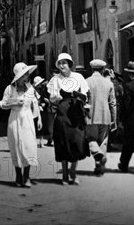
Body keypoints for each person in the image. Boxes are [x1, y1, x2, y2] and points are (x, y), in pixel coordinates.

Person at [47, 53, 90, 185]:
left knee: (77, 143)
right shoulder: (55, 80)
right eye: (59, 63)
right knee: (63, 143)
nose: (62, 66)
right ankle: (65, 174)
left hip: (76, 112)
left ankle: (73, 171)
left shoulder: (78, 77)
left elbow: (85, 95)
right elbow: (51, 99)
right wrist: (56, 98)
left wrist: (79, 96)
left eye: (64, 63)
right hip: (62, 114)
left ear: (70, 64)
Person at [0, 62, 41, 188]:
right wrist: (14, 104)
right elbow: (2, 104)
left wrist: (39, 119)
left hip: (27, 119)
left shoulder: (30, 88)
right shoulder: (10, 89)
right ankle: (18, 174)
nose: (27, 77)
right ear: (19, 76)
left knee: (29, 145)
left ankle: (27, 176)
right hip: (14, 119)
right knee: (16, 145)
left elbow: (35, 103)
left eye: (27, 74)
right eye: (24, 74)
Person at [86, 59, 117, 176]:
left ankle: (96, 153)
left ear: (91, 69)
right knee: (103, 142)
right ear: (103, 69)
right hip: (105, 116)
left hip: (90, 117)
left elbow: (82, 100)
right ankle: (100, 166)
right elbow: (113, 103)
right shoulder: (109, 83)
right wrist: (114, 120)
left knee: (90, 139)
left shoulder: (86, 82)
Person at [32, 76, 53, 148]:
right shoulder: (32, 91)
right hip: (35, 109)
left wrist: (44, 101)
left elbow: (43, 97)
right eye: (40, 83)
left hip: (42, 109)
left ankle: (41, 141)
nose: (41, 84)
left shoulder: (42, 90)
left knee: (42, 125)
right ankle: (35, 141)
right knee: (35, 125)